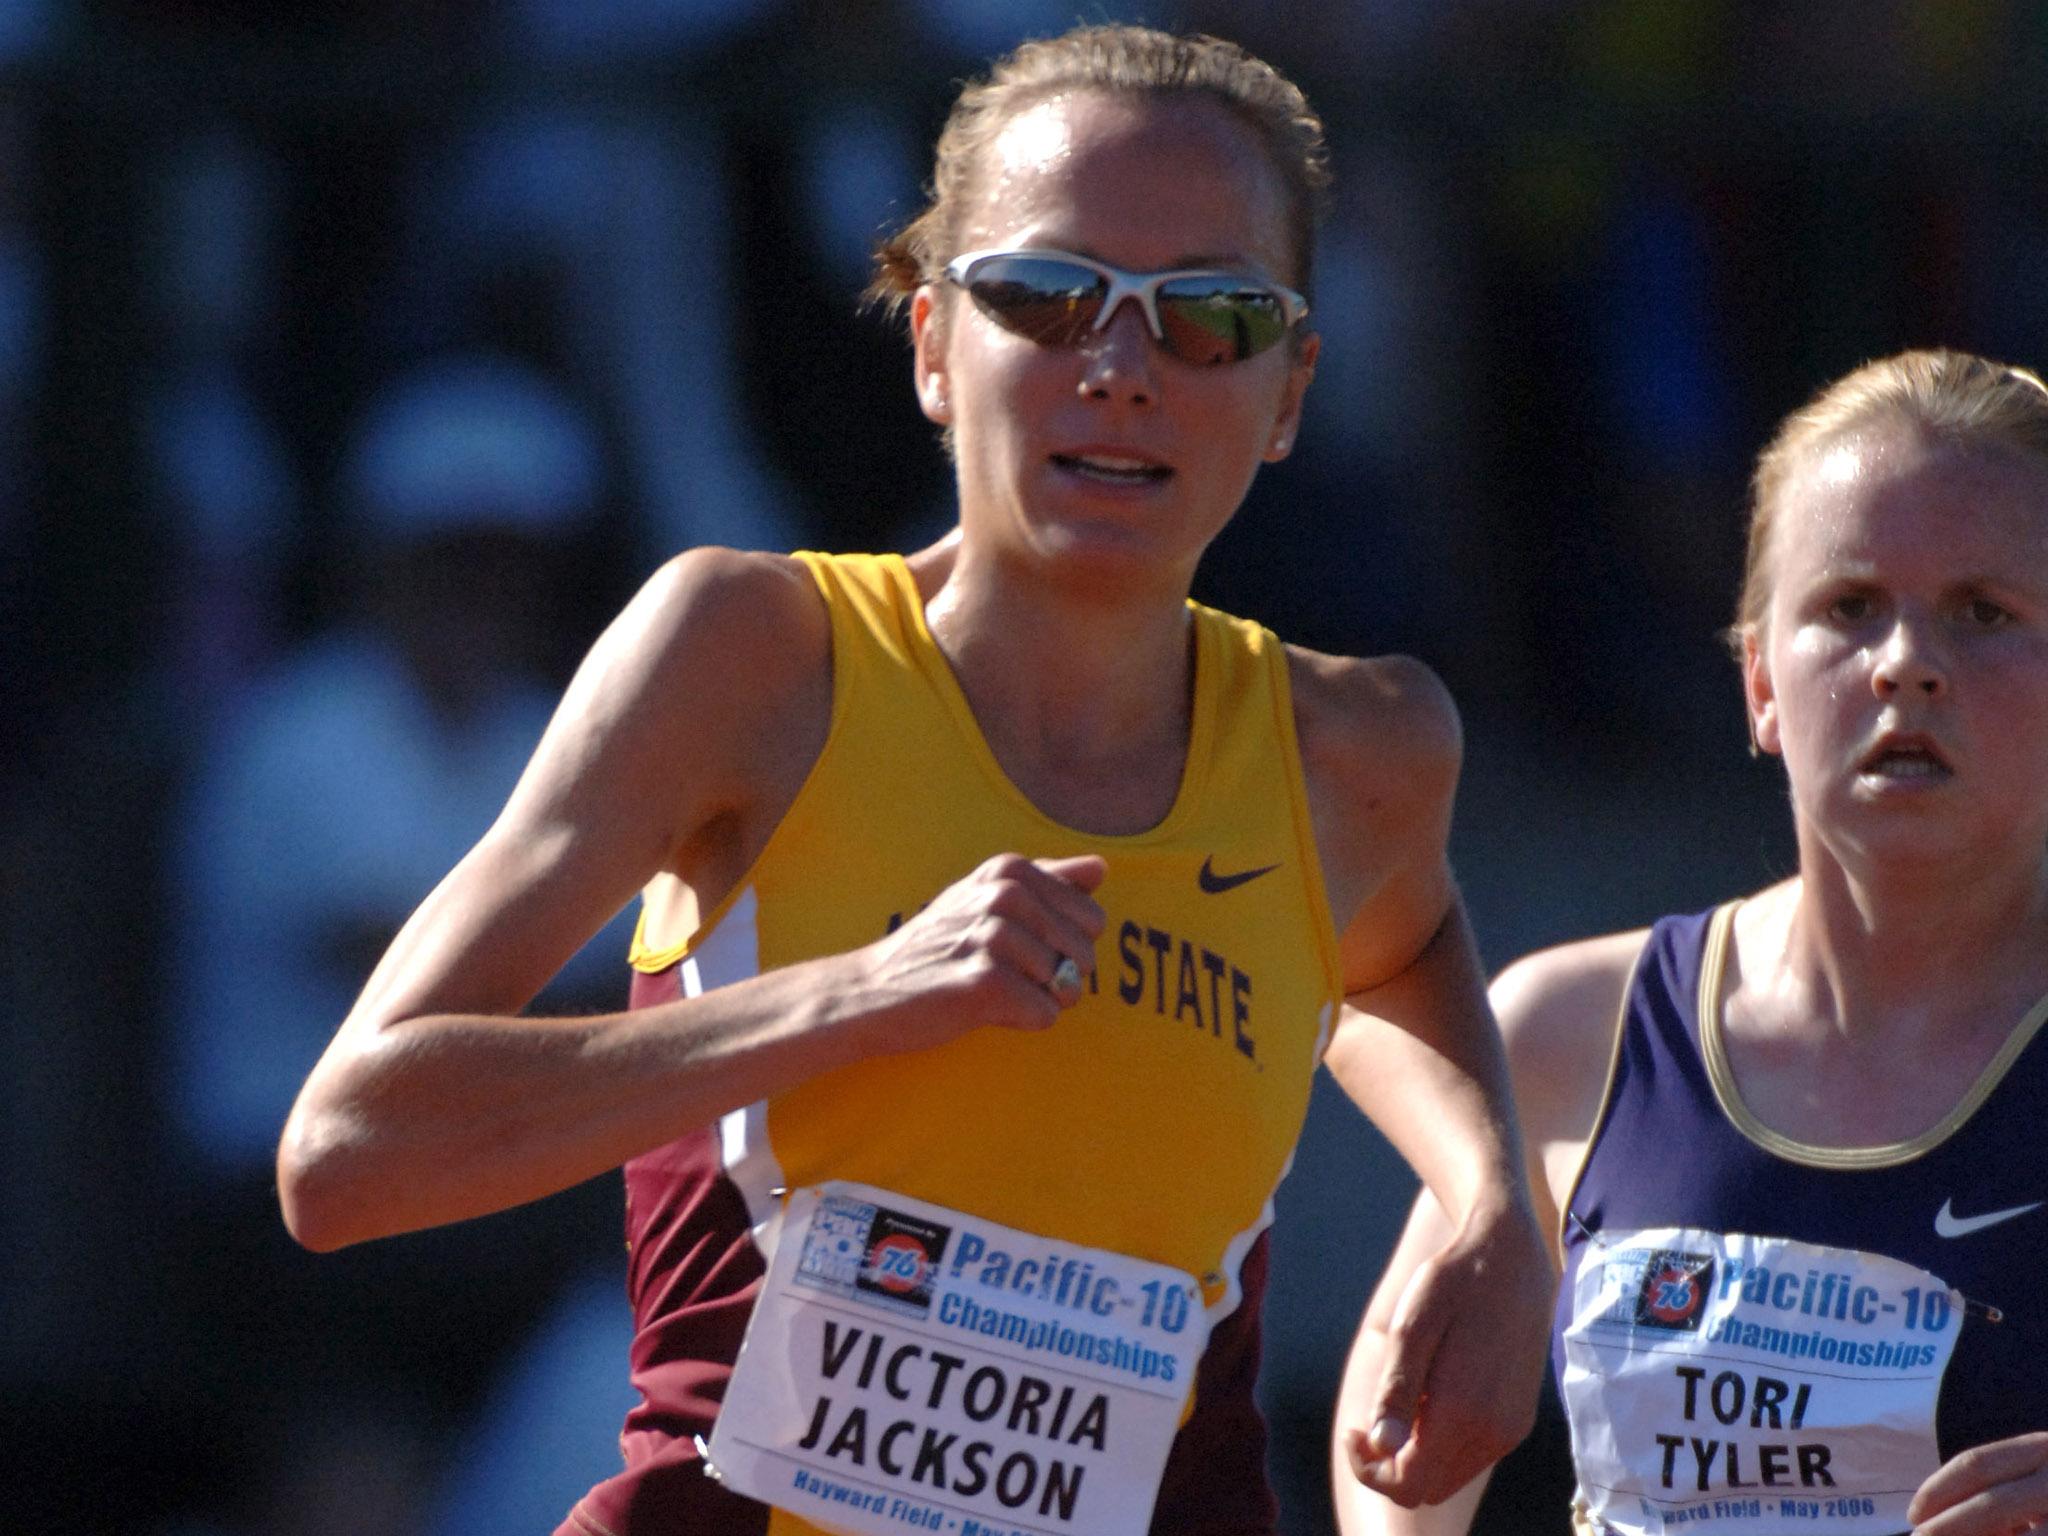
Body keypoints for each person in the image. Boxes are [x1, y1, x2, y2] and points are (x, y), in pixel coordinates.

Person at [278, 24, 1551, 1536]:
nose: (1122, 369)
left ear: (1288, 393)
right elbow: (348, 1152)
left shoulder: (1361, 751)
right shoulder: (754, 658)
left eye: (1208, 315)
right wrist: (862, 992)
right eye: (1049, 296)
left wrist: (1493, 1207)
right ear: (935, 346)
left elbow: (1396, 955)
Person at [1335, 347, 2048, 1536]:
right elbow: (1388, 1469)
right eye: (1847, 606)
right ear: (1759, 680)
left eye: (1982, 613)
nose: (1905, 665)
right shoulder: (1570, 1032)